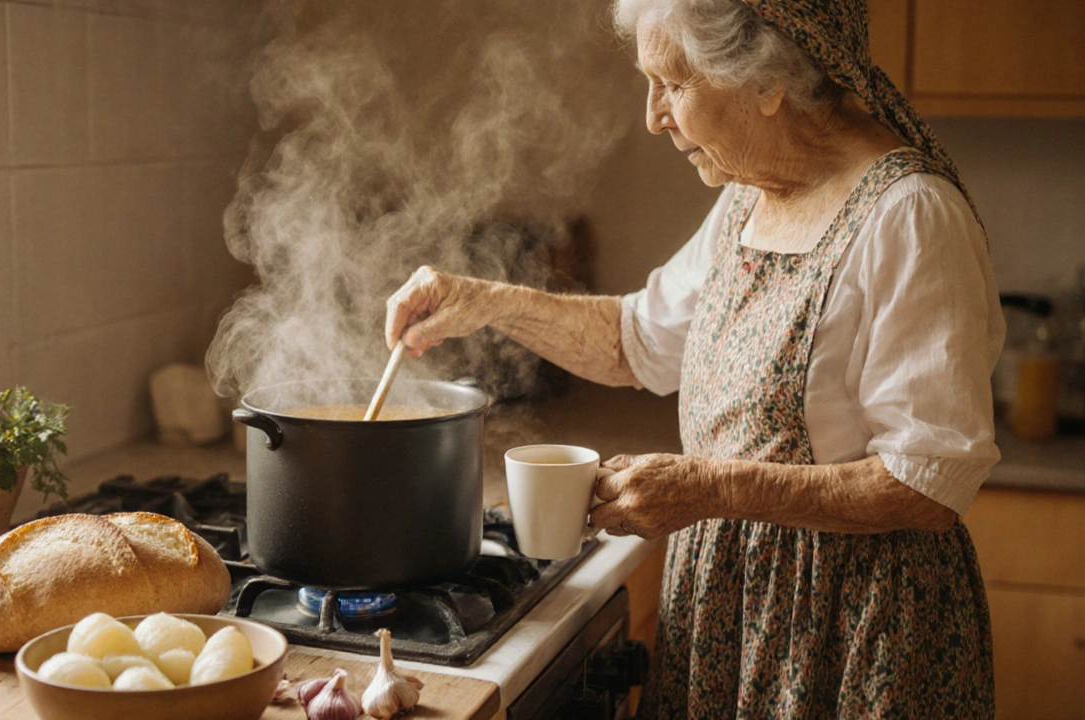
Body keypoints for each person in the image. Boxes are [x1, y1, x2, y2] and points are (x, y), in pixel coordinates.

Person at [384, 0, 1003, 716]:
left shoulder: (909, 216)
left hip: (852, 630)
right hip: (729, 611)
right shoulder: (750, 193)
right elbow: (636, 340)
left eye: (674, 84)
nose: (654, 116)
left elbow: (926, 483)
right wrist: (485, 301)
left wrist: (709, 489)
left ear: (769, 80)